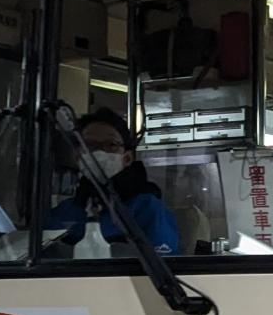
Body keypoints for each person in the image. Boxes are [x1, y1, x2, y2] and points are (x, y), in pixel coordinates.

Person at [48, 108, 180, 253]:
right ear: (78, 157)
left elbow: (164, 263)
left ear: (127, 158)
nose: (100, 152)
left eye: (111, 145)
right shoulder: (64, 212)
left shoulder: (147, 208)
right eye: (89, 145)